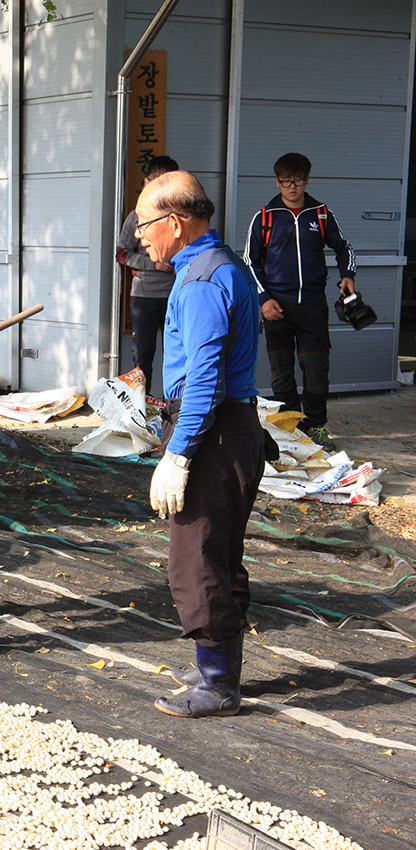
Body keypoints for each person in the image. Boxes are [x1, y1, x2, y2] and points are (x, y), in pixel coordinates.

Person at [135, 170, 265, 718]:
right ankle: (218, 665)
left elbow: (205, 380)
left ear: (175, 222)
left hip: (212, 435)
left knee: (197, 561)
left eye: (143, 224)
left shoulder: (204, 280)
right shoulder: (220, 265)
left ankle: (217, 684)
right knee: (220, 553)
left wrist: (178, 454)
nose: (138, 235)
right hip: (232, 430)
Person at [243, 152, 356, 450]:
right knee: (282, 376)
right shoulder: (265, 218)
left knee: (317, 373)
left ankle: (317, 429)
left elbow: (344, 248)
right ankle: (291, 432)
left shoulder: (320, 214)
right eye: (286, 181)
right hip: (276, 310)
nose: (292, 187)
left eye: (298, 181)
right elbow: (250, 262)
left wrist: (348, 276)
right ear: (277, 181)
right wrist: (263, 299)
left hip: (313, 308)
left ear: (307, 180)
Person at [116, 155, 180, 399]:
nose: (159, 187)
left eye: (167, 181)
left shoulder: (181, 217)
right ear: (145, 182)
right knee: (142, 357)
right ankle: (141, 408)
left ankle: (172, 409)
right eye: (154, 181)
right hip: (144, 296)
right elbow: (122, 253)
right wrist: (154, 264)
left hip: (176, 294)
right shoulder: (137, 215)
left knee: (176, 356)